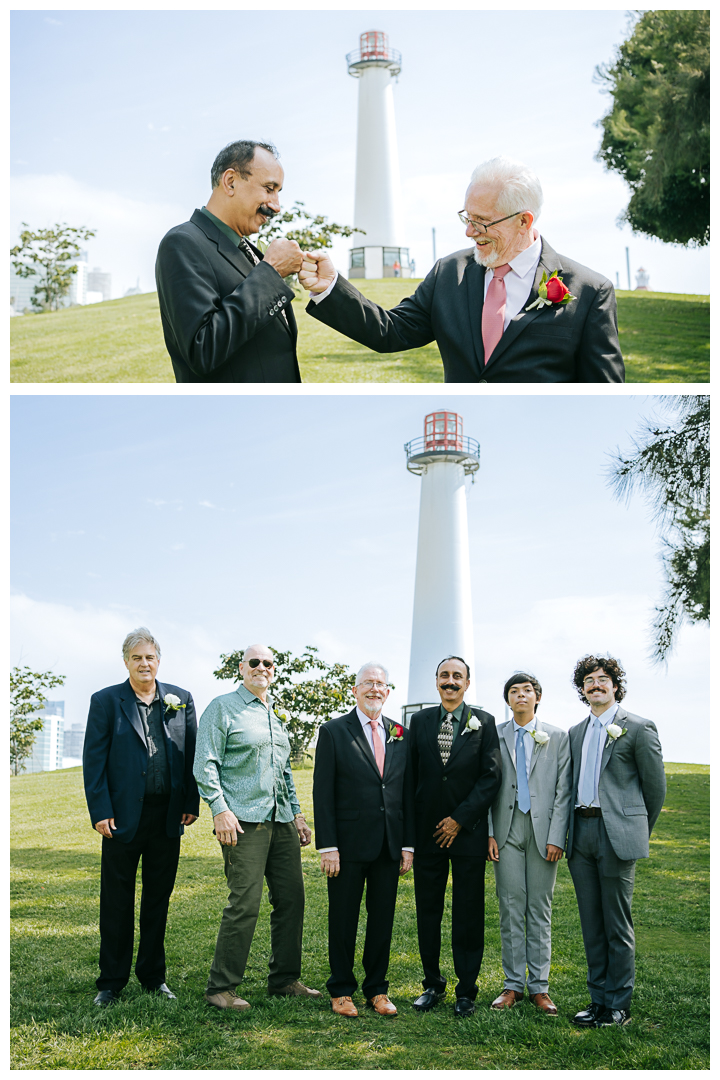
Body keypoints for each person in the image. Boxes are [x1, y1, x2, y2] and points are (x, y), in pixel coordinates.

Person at [299, 156, 624, 383]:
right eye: (466, 218)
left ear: (524, 221)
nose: (469, 231)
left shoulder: (591, 292)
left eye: (481, 222)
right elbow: (391, 331)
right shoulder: (448, 273)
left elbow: (604, 391)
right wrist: (330, 287)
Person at [193, 644, 319, 1011]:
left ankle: (284, 980)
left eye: (268, 663)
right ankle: (221, 987)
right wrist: (219, 810)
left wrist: (296, 813)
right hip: (242, 822)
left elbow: (284, 773)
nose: (261, 667)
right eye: (254, 662)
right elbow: (205, 763)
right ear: (241, 668)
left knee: (292, 898)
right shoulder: (222, 708)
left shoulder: (274, 716)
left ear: (274, 670)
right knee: (244, 903)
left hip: (280, 822)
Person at [82, 629, 199, 1006]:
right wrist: (100, 811)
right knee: (116, 903)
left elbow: (191, 754)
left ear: (159, 660)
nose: (144, 664)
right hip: (120, 819)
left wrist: (191, 802)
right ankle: (111, 983)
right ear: (126, 662)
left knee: (157, 902)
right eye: (137, 658)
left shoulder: (180, 700)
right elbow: (94, 761)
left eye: (150, 657)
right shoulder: (105, 701)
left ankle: (153, 977)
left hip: (167, 817)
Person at [566, 655, 666, 1028]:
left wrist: (634, 828)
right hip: (581, 834)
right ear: (582, 689)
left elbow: (655, 790)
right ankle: (597, 1001)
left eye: (603, 679)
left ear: (615, 685)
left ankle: (618, 1005)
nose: (596, 685)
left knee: (617, 924)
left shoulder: (638, 728)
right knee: (591, 923)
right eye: (589, 680)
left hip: (616, 836)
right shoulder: (576, 732)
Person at [156, 140, 304, 383]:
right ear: (230, 182)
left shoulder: (251, 253)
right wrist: (272, 272)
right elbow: (202, 350)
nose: (276, 207)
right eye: (269, 188)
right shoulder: (182, 243)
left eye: (278, 192)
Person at [313, 663, 413, 1018]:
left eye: (381, 684)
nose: (375, 689)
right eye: (368, 683)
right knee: (343, 918)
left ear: (388, 691)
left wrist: (407, 845)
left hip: (389, 844)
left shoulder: (401, 732)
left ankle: (377, 989)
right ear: (354, 690)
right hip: (347, 846)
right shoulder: (334, 731)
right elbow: (322, 793)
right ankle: (340, 989)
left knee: (382, 919)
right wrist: (328, 846)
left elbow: (406, 792)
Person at [406, 656, 502, 1017]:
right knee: (427, 911)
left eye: (457, 676)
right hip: (428, 833)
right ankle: (432, 984)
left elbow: (491, 777)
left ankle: (466, 990)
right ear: (436, 681)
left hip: (467, 834)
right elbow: (411, 776)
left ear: (467, 682)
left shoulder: (484, 722)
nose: (450, 681)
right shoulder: (420, 721)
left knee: (467, 912)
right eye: (444, 675)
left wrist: (460, 820)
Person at [487, 673, 571, 1016]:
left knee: (539, 909)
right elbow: (487, 784)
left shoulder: (558, 737)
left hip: (543, 833)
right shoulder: (494, 734)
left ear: (537, 697)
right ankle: (511, 985)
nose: (520, 695)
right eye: (513, 691)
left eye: (527, 691)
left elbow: (565, 790)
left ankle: (539, 987)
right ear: (507, 700)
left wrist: (557, 836)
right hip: (505, 831)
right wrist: (489, 832)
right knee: (510, 907)